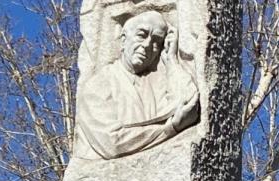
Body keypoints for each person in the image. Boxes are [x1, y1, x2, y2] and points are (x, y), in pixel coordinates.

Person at [74, 10, 200, 160]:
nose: (147, 45)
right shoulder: (98, 84)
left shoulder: (156, 81)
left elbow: (189, 103)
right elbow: (113, 143)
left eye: (156, 41)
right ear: (123, 40)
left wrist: (171, 60)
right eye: (142, 35)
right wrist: (170, 128)